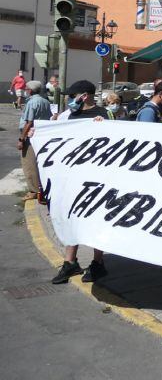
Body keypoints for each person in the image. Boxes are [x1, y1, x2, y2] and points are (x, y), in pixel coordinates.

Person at [50, 80, 110, 285]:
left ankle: (97, 262)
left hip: (97, 179)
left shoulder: (104, 114)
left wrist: (106, 128)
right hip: (74, 177)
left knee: (94, 220)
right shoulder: (69, 116)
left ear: (84, 96)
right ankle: (70, 262)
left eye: (71, 96)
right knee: (72, 218)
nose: (69, 101)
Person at [17, 80, 51, 200]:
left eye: (26, 89)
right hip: (41, 135)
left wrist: (21, 138)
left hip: (30, 136)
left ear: (30, 90)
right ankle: (39, 188)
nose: (25, 91)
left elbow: (29, 122)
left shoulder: (31, 103)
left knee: (29, 164)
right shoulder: (45, 102)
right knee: (38, 163)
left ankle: (33, 191)